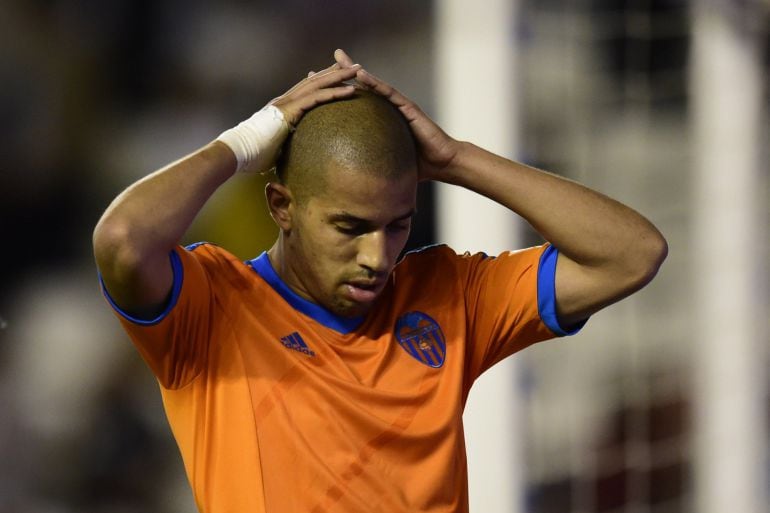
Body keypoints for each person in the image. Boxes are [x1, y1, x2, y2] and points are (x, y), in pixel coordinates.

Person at [93, 49, 667, 512]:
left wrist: (458, 159)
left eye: (398, 226)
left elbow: (632, 254)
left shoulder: (448, 295)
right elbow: (123, 239)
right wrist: (244, 143)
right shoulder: (212, 308)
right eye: (350, 226)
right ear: (281, 205)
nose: (378, 255)